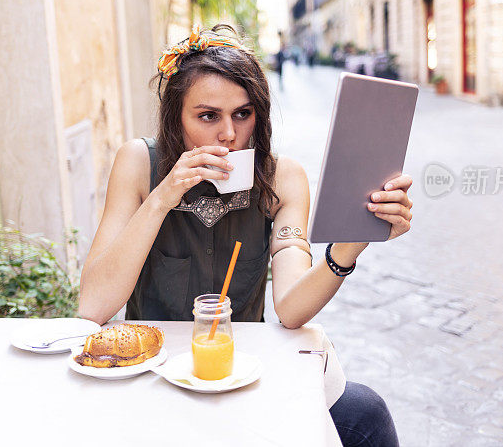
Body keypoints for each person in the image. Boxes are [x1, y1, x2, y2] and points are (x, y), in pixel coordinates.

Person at [78, 24, 412, 447]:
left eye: (242, 113)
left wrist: (352, 242)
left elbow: (291, 308)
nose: (229, 135)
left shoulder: (281, 178)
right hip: (153, 375)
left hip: (240, 374)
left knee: (366, 413)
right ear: (174, 119)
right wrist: (164, 196)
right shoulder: (139, 164)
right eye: (207, 116)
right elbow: (93, 304)